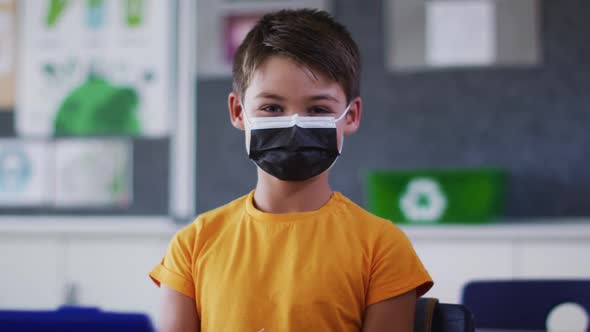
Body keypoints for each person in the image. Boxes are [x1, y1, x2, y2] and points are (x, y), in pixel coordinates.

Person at [149, 8, 433, 332]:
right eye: (272, 108)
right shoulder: (193, 244)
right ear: (238, 112)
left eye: (317, 109)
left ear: (351, 116)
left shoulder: (382, 247)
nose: (295, 124)